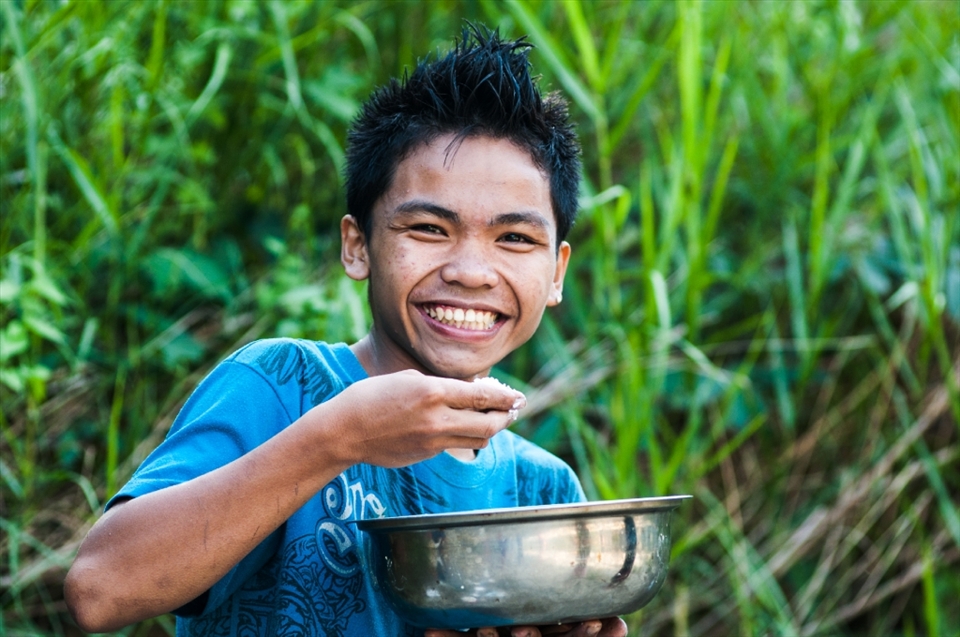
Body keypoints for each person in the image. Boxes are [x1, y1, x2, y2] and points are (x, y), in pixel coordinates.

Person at [64, 25, 628, 637]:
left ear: (556, 272)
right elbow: (100, 590)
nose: (470, 272)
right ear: (357, 246)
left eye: (515, 239)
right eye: (428, 229)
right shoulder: (283, 386)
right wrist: (339, 437)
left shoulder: (540, 489)